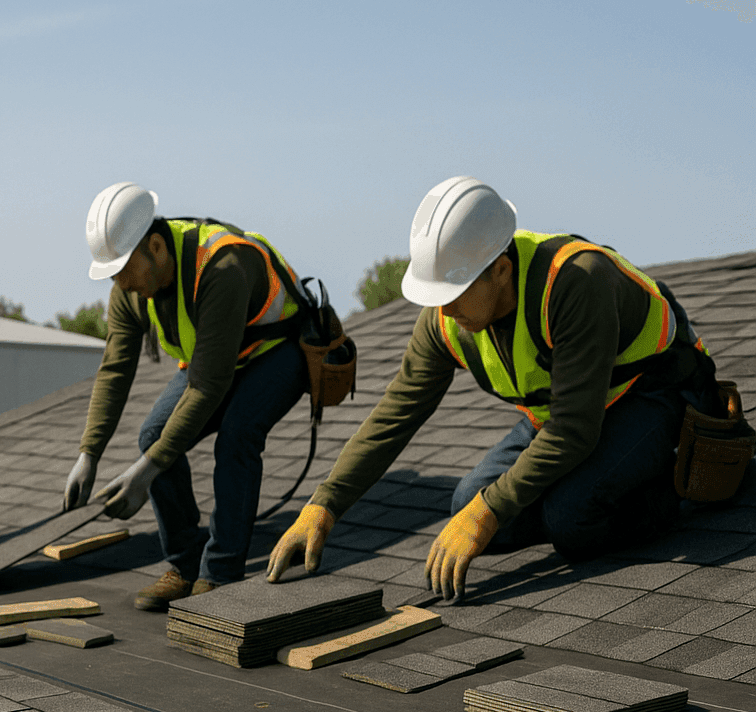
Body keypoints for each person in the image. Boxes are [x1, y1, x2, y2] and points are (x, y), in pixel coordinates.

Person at [268, 176, 722, 599]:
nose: (443, 312)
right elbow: (396, 414)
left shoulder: (575, 283)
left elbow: (574, 430)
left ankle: (673, 485)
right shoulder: (447, 317)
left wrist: (492, 510)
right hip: (566, 413)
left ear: (501, 270)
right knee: (466, 501)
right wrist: (323, 506)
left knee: (571, 519)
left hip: (654, 394)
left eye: (454, 293)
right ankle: (585, 497)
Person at [64, 182, 313, 610]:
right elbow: (116, 368)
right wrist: (89, 452)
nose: (120, 283)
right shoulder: (130, 289)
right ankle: (184, 564)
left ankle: (220, 572)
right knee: (153, 436)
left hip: (278, 350)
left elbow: (210, 386)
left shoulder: (221, 266)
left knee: (237, 434)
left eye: (123, 269)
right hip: (217, 359)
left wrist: (145, 473)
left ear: (156, 247)